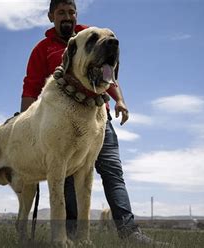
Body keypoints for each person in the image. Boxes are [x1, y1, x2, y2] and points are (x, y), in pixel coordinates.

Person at [20, 0, 157, 244]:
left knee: (113, 171)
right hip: (62, 124)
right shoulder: (42, 49)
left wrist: (120, 101)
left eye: (71, 12)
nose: (67, 17)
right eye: (61, 12)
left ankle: (130, 233)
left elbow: (109, 74)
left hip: (98, 118)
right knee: (69, 180)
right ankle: (73, 235)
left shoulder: (94, 36)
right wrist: (26, 125)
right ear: (51, 16)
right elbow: (30, 88)